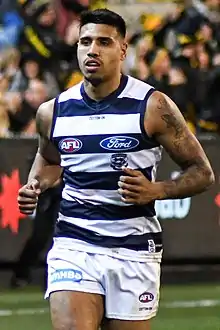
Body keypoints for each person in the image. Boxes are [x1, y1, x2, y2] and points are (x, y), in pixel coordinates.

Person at [17, 8, 214, 330]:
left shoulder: (153, 106)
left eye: (104, 42)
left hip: (134, 248)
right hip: (74, 242)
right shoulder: (53, 112)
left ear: (122, 50)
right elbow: (50, 160)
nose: (93, 50)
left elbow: (202, 172)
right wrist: (35, 185)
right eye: (85, 41)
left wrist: (158, 190)